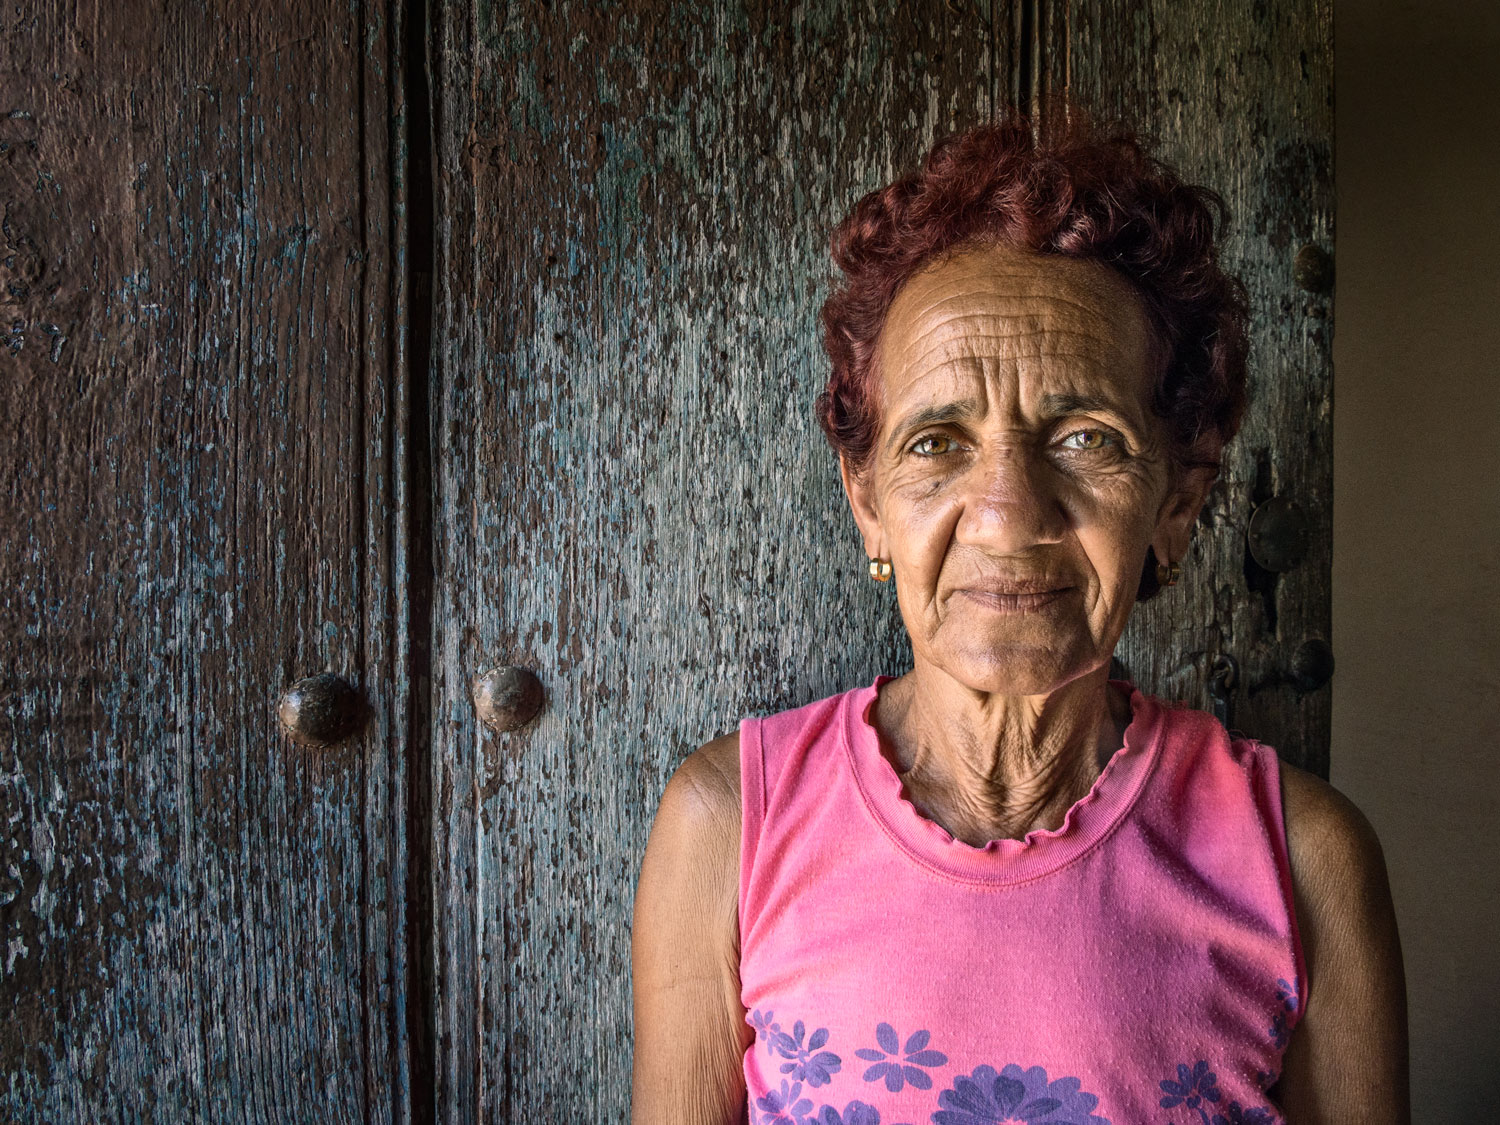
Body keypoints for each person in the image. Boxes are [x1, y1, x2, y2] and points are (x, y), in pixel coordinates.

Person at [631, 115, 1408, 1125]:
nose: (1008, 513)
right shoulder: (729, 829)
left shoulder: (1302, 860)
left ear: (1176, 501)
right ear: (867, 499)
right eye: (938, 443)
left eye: (1086, 437)